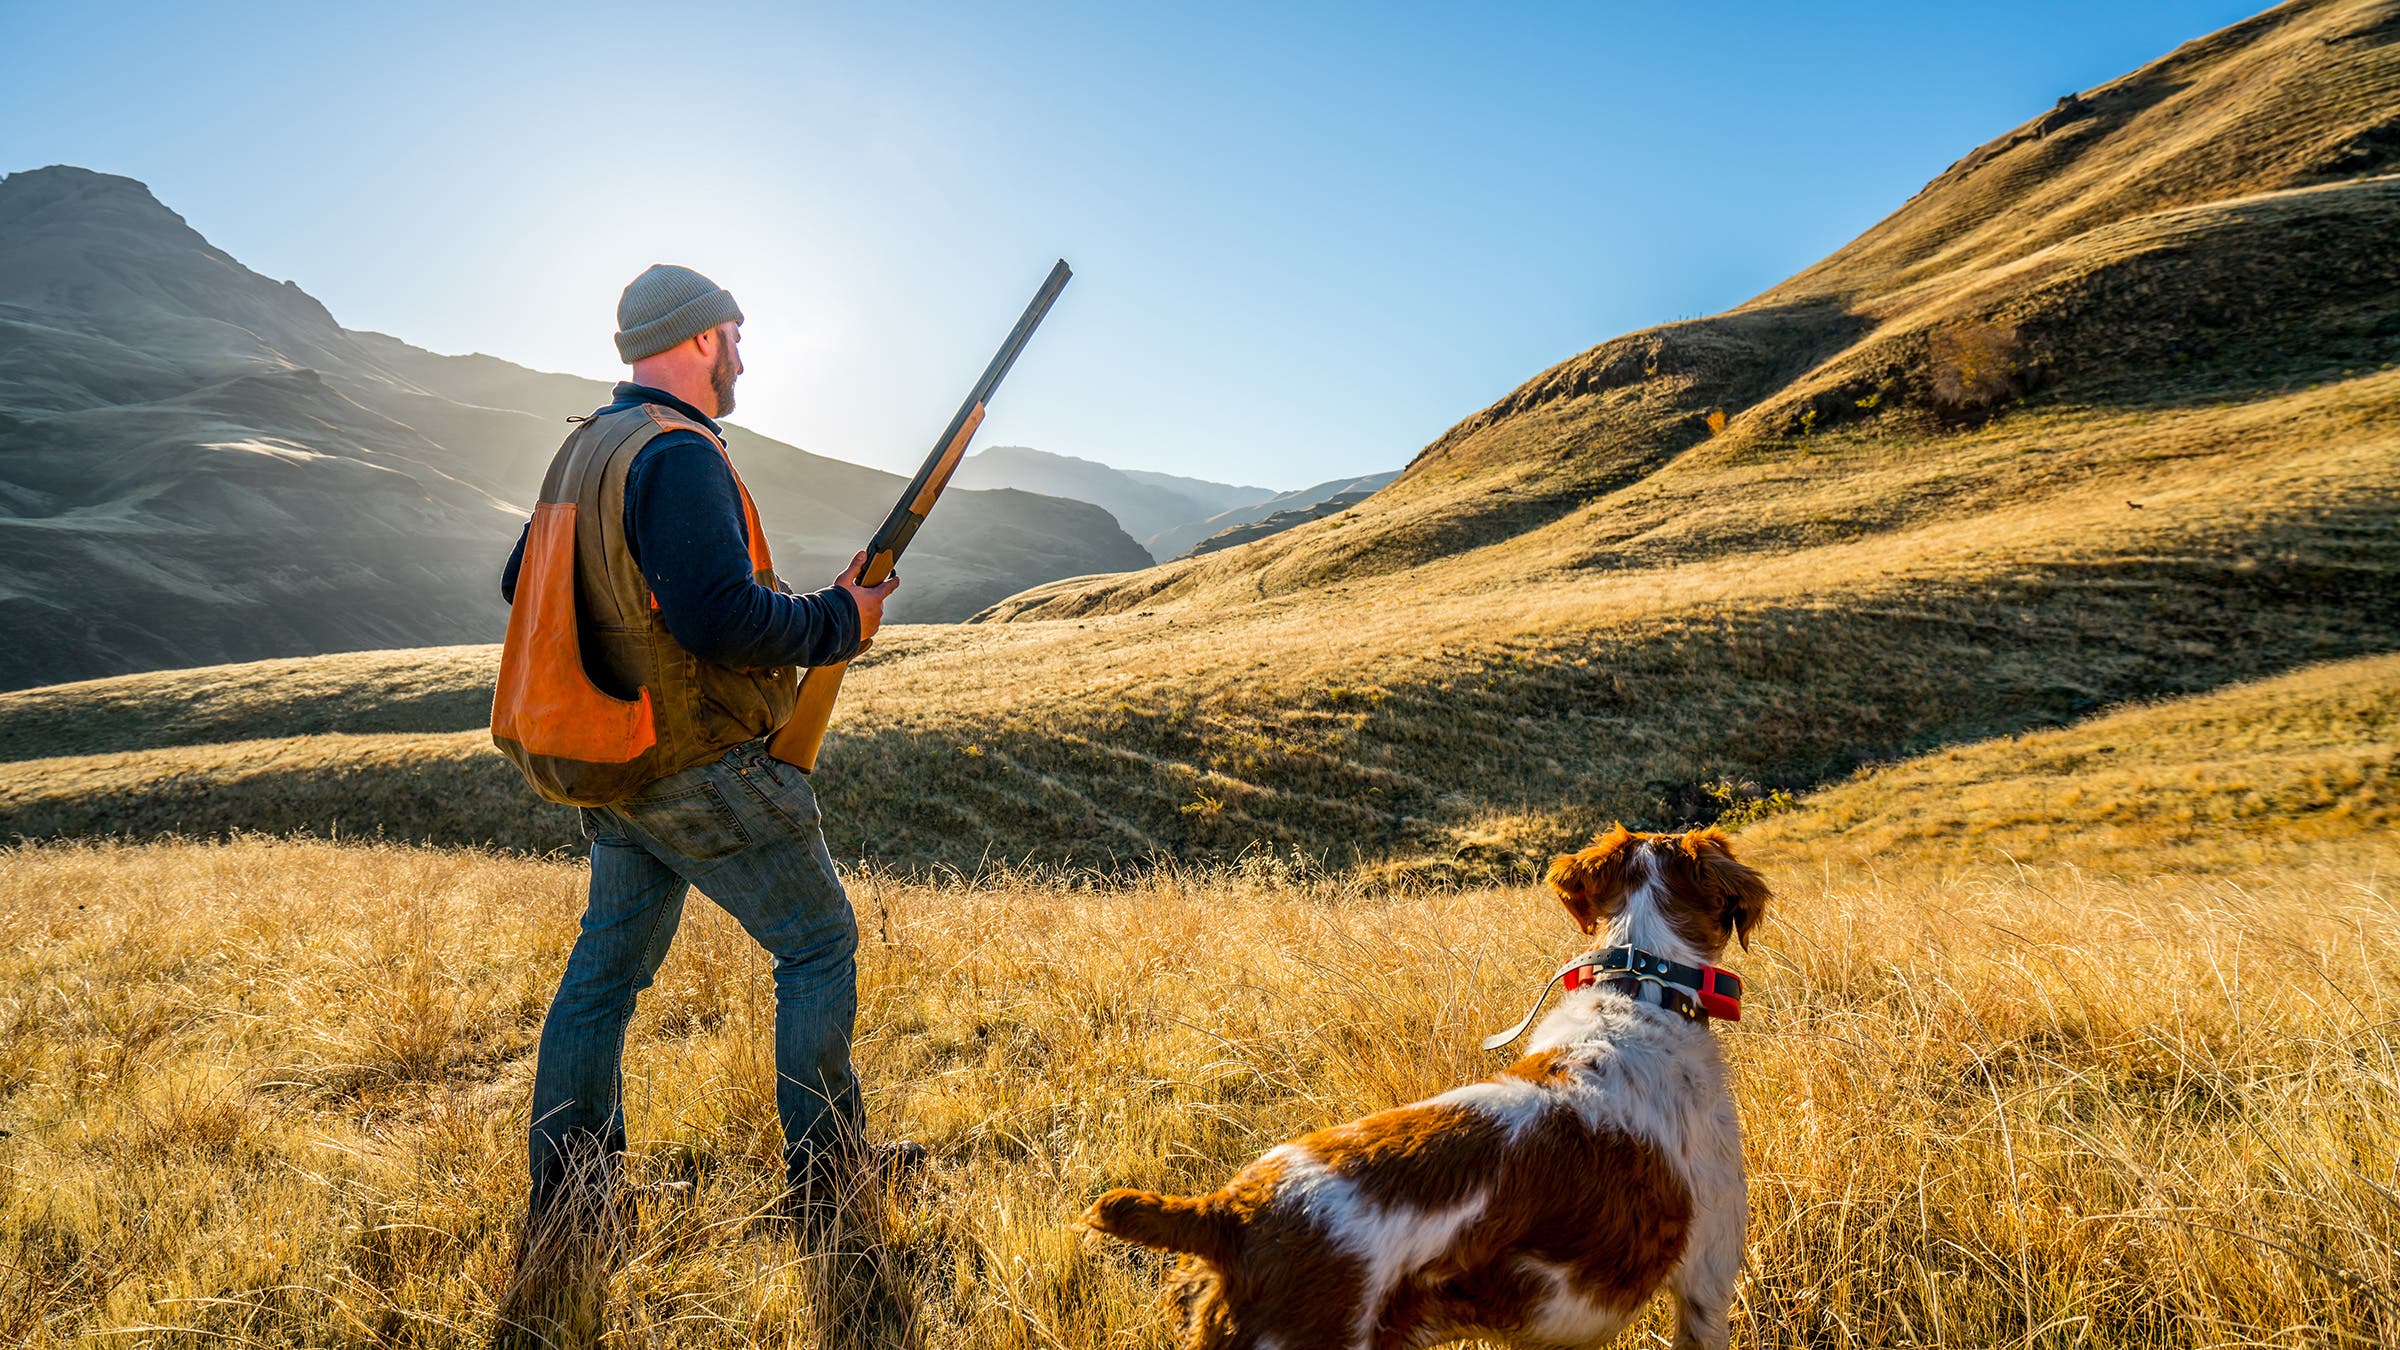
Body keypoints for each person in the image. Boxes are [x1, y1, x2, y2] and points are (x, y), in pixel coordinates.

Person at [497, 263, 919, 1238]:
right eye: (735, 332)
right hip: (698, 760)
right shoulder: (679, 451)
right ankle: (829, 1177)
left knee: (604, 976)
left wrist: (818, 601)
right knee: (818, 946)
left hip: (618, 760)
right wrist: (839, 620)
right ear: (699, 339)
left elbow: (528, 578)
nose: (742, 351)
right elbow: (720, 622)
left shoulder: (587, 447)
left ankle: (573, 1200)